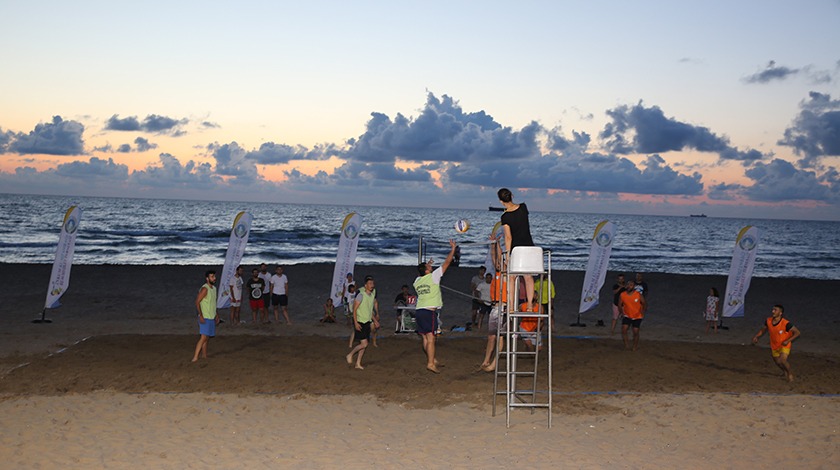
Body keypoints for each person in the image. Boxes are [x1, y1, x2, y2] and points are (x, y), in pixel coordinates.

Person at [413, 239, 457, 373]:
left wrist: (427, 266)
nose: (430, 266)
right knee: (431, 338)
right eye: (428, 266)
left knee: (425, 338)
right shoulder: (433, 277)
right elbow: (447, 262)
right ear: (427, 270)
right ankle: (430, 363)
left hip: (419, 311)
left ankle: (432, 359)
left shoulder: (417, 281)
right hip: (428, 311)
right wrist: (453, 249)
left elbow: (421, 274)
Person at [498, 187, 536, 308]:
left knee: (512, 277)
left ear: (500, 201)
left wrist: (508, 254)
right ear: (512, 196)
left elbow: (508, 237)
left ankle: (511, 305)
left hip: (516, 249)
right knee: (528, 277)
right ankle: (530, 304)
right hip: (529, 246)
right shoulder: (523, 207)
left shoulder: (505, 217)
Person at [752, 305, 801, 382]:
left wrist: (788, 341)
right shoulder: (768, 321)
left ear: (780, 313)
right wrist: (756, 336)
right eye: (773, 310)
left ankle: (790, 374)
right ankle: (784, 371)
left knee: (782, 360)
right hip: (774, 345)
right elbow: (763, 330)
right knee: (778, 362)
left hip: (784, 344)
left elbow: (797, 333)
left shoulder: (786, 323)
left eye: (775, 310)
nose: (773, 312)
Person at [481, 240, 507, 372]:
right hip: (494, 308)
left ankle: (494, 364)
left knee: (500, 337)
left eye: (500, 262)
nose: (497, 263)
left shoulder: (506, 275)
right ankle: (486, 361)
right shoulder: (496, 274)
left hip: (503, 308)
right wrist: (493, 244)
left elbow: (501, 256)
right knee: (491, 336)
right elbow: (494, 257)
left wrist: (497, 245)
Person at [346, 275, 379, 370]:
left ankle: (358, 363)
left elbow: (369, 311)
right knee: (364, 344)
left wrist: (375, 320)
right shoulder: (361, 295)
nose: (372, 285)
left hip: (367, 321)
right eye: (369, 283)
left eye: (372, 283)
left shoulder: (372, 295)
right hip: (360, 322)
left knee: (364, 345)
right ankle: (350, 354)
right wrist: (355, 323)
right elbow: (354, 310)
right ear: (365, 285)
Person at [192, 270, 219, 362]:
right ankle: (195, 357)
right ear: (207, 278)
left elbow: (213, 303)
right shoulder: (205, 289)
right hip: (205, 316)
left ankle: (204, 355)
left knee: (207, 337)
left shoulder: (214, 289)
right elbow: (197, 302)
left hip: (211, 316)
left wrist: (216, 315)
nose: (214, 278)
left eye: (214, 276)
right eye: (212, 276)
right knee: (203, 337)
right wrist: (201, 315)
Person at [619, 278, 646, 351]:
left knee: (635, 331)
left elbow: (644, 303)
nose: (629, 286)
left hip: (637, 316)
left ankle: (635, 346)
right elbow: (619, 304)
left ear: (634, 287)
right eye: (628, 285)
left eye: (631, 285)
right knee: (624, 329)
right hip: (627, 315)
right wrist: (621, 312)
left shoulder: (638, 295)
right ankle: (626, 345)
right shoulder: (623, 294)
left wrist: (642, 312)